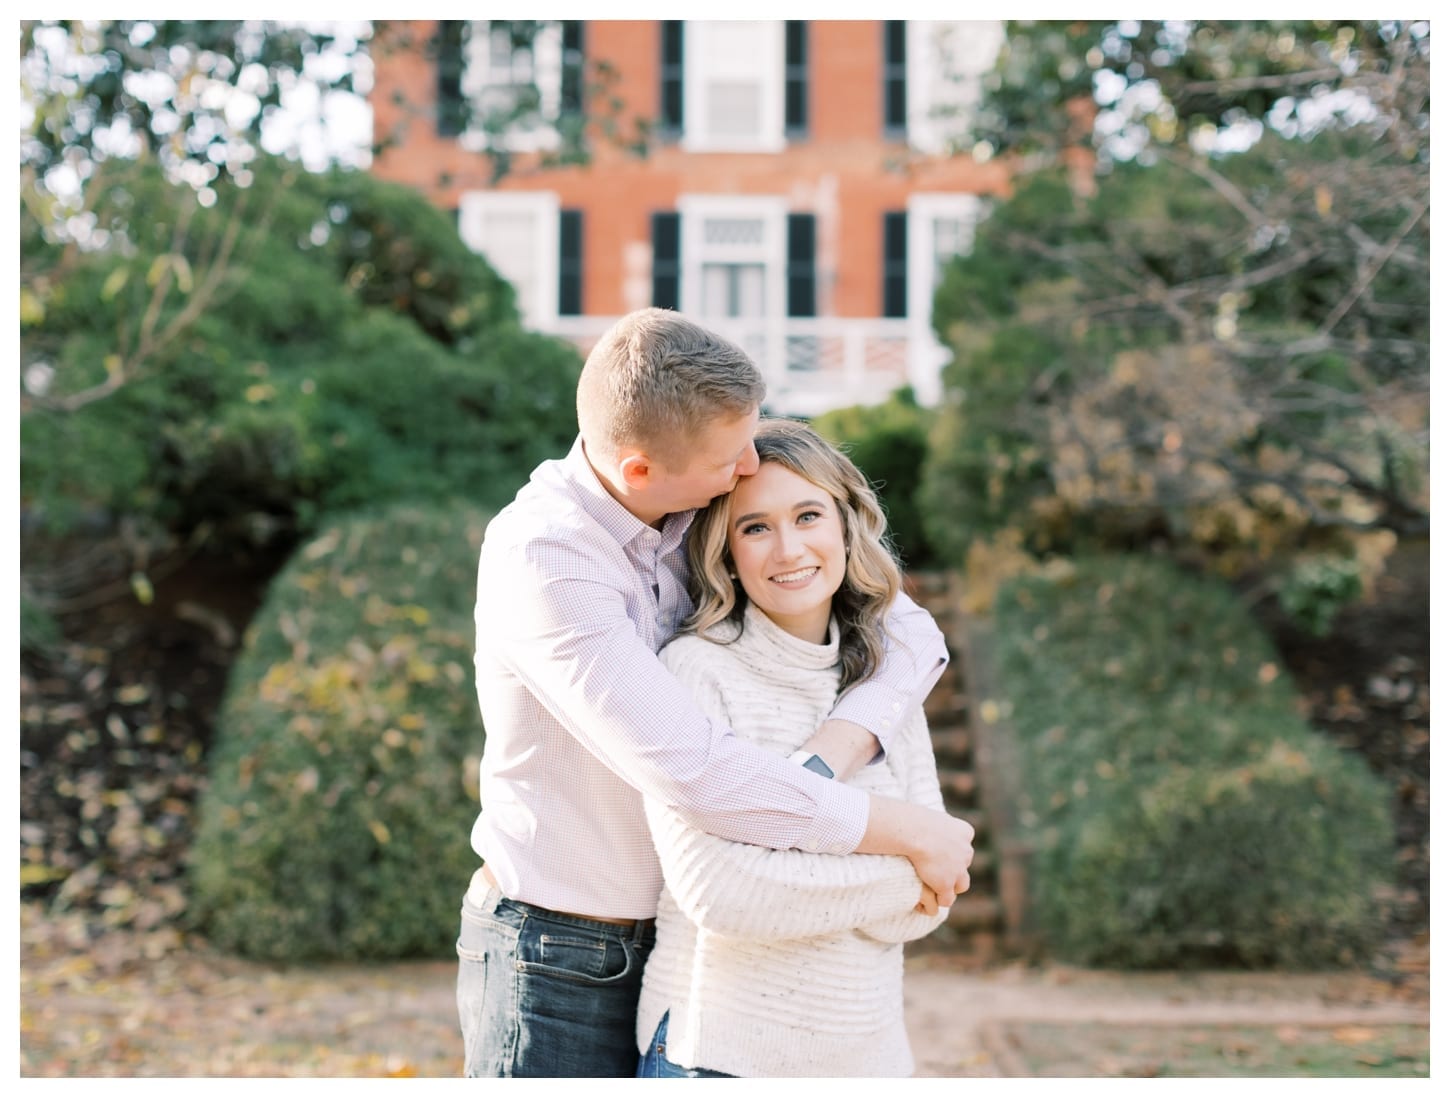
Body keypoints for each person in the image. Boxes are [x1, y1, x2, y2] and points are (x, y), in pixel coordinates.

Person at [459, 308, 974, 1078]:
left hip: (669, 951)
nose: (746, 469)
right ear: (640, 469)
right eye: (731, 457)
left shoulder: (679, 506)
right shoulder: (550, 563)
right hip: (559, 949)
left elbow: (905, 629)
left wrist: (845, 739)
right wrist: (907, 833)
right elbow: (699, 775)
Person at [635, 418, 951, 1078]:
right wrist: (906, 857)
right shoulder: (695, 671)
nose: (787, 549)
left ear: (844, 525)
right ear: (725, 551)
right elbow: (720, 894)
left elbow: (928, 906)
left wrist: (791, 864)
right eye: (755, 527)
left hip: (868, 1061)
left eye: (808, 515)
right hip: (719, 1057)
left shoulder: (886, 683)